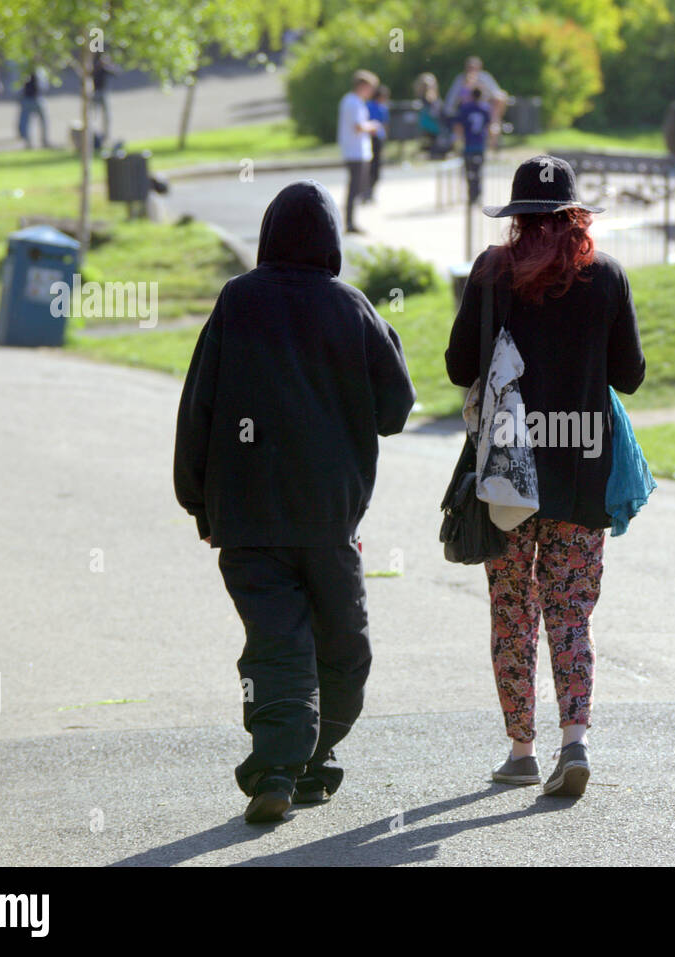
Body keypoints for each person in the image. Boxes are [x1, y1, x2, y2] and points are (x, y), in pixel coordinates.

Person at [173, 180, 416, 824]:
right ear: (333, 241)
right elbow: (396, 410)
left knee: (276, 641)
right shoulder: (353, 307)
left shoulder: (237, 301)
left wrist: (197, 501)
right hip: (328, 518)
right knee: (344, 646)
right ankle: (297, 761)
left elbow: (197, 406)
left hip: (246, 518)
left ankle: (290, 763)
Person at [444, 155, 646, 797]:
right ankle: (575, 742)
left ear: (516, 217)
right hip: (583, 472)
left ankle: (521, 750)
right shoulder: (607, 275)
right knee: (570, 613)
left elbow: (457, 367)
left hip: (507, 472)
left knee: (512, 611)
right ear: (575, 215)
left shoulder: (490, 273)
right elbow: (631, 375)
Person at [337, 70, 381, 234]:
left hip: (356, 150)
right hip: (355, 151)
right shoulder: (353, 102)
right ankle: (349, 222)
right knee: (354, 188)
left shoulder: (353, 101)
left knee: (356, 187)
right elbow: (358, 126)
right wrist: (373, 126)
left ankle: (350, 221)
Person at [445, 57, 507, 149]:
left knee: (499, 100)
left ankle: (493, 140)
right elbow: (451, 102)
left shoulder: (485, 78)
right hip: (466, 112)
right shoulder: (460, 80)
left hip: (483, 110)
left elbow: (497, 94)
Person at [454, 86, 493, 204]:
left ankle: (472, 194)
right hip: (480, 144)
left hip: (469, 145)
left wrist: (459, 140)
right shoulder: (485, 108)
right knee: (479, 171)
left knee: (469, 171)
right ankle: (478, 194)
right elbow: (489, 126)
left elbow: (459, 126)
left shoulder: (465, 108)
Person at [364, 85, 390, 202]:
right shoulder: (372, 106)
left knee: (375, 167)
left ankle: (370, 192)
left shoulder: (380, 107)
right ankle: (367, 192)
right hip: (372, 138)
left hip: (377, 138)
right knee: (372, 166)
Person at [17, 66, 51, 149]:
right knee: (43, 121)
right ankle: (44, 141)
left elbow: (18, 88)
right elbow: (44, 86)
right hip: (37, 99)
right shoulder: (40, 71)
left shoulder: (24, 72)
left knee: (26, 122)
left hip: (28, 99)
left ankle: (29, 142)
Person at [92, 53, 119, 143]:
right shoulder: (93, 65)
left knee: (107, 116)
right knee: (93, 116)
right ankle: (94, 136)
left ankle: (106, 136)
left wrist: (108, 65)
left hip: (103, 92)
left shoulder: (104, 68)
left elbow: (116, 73)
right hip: (93, 93)